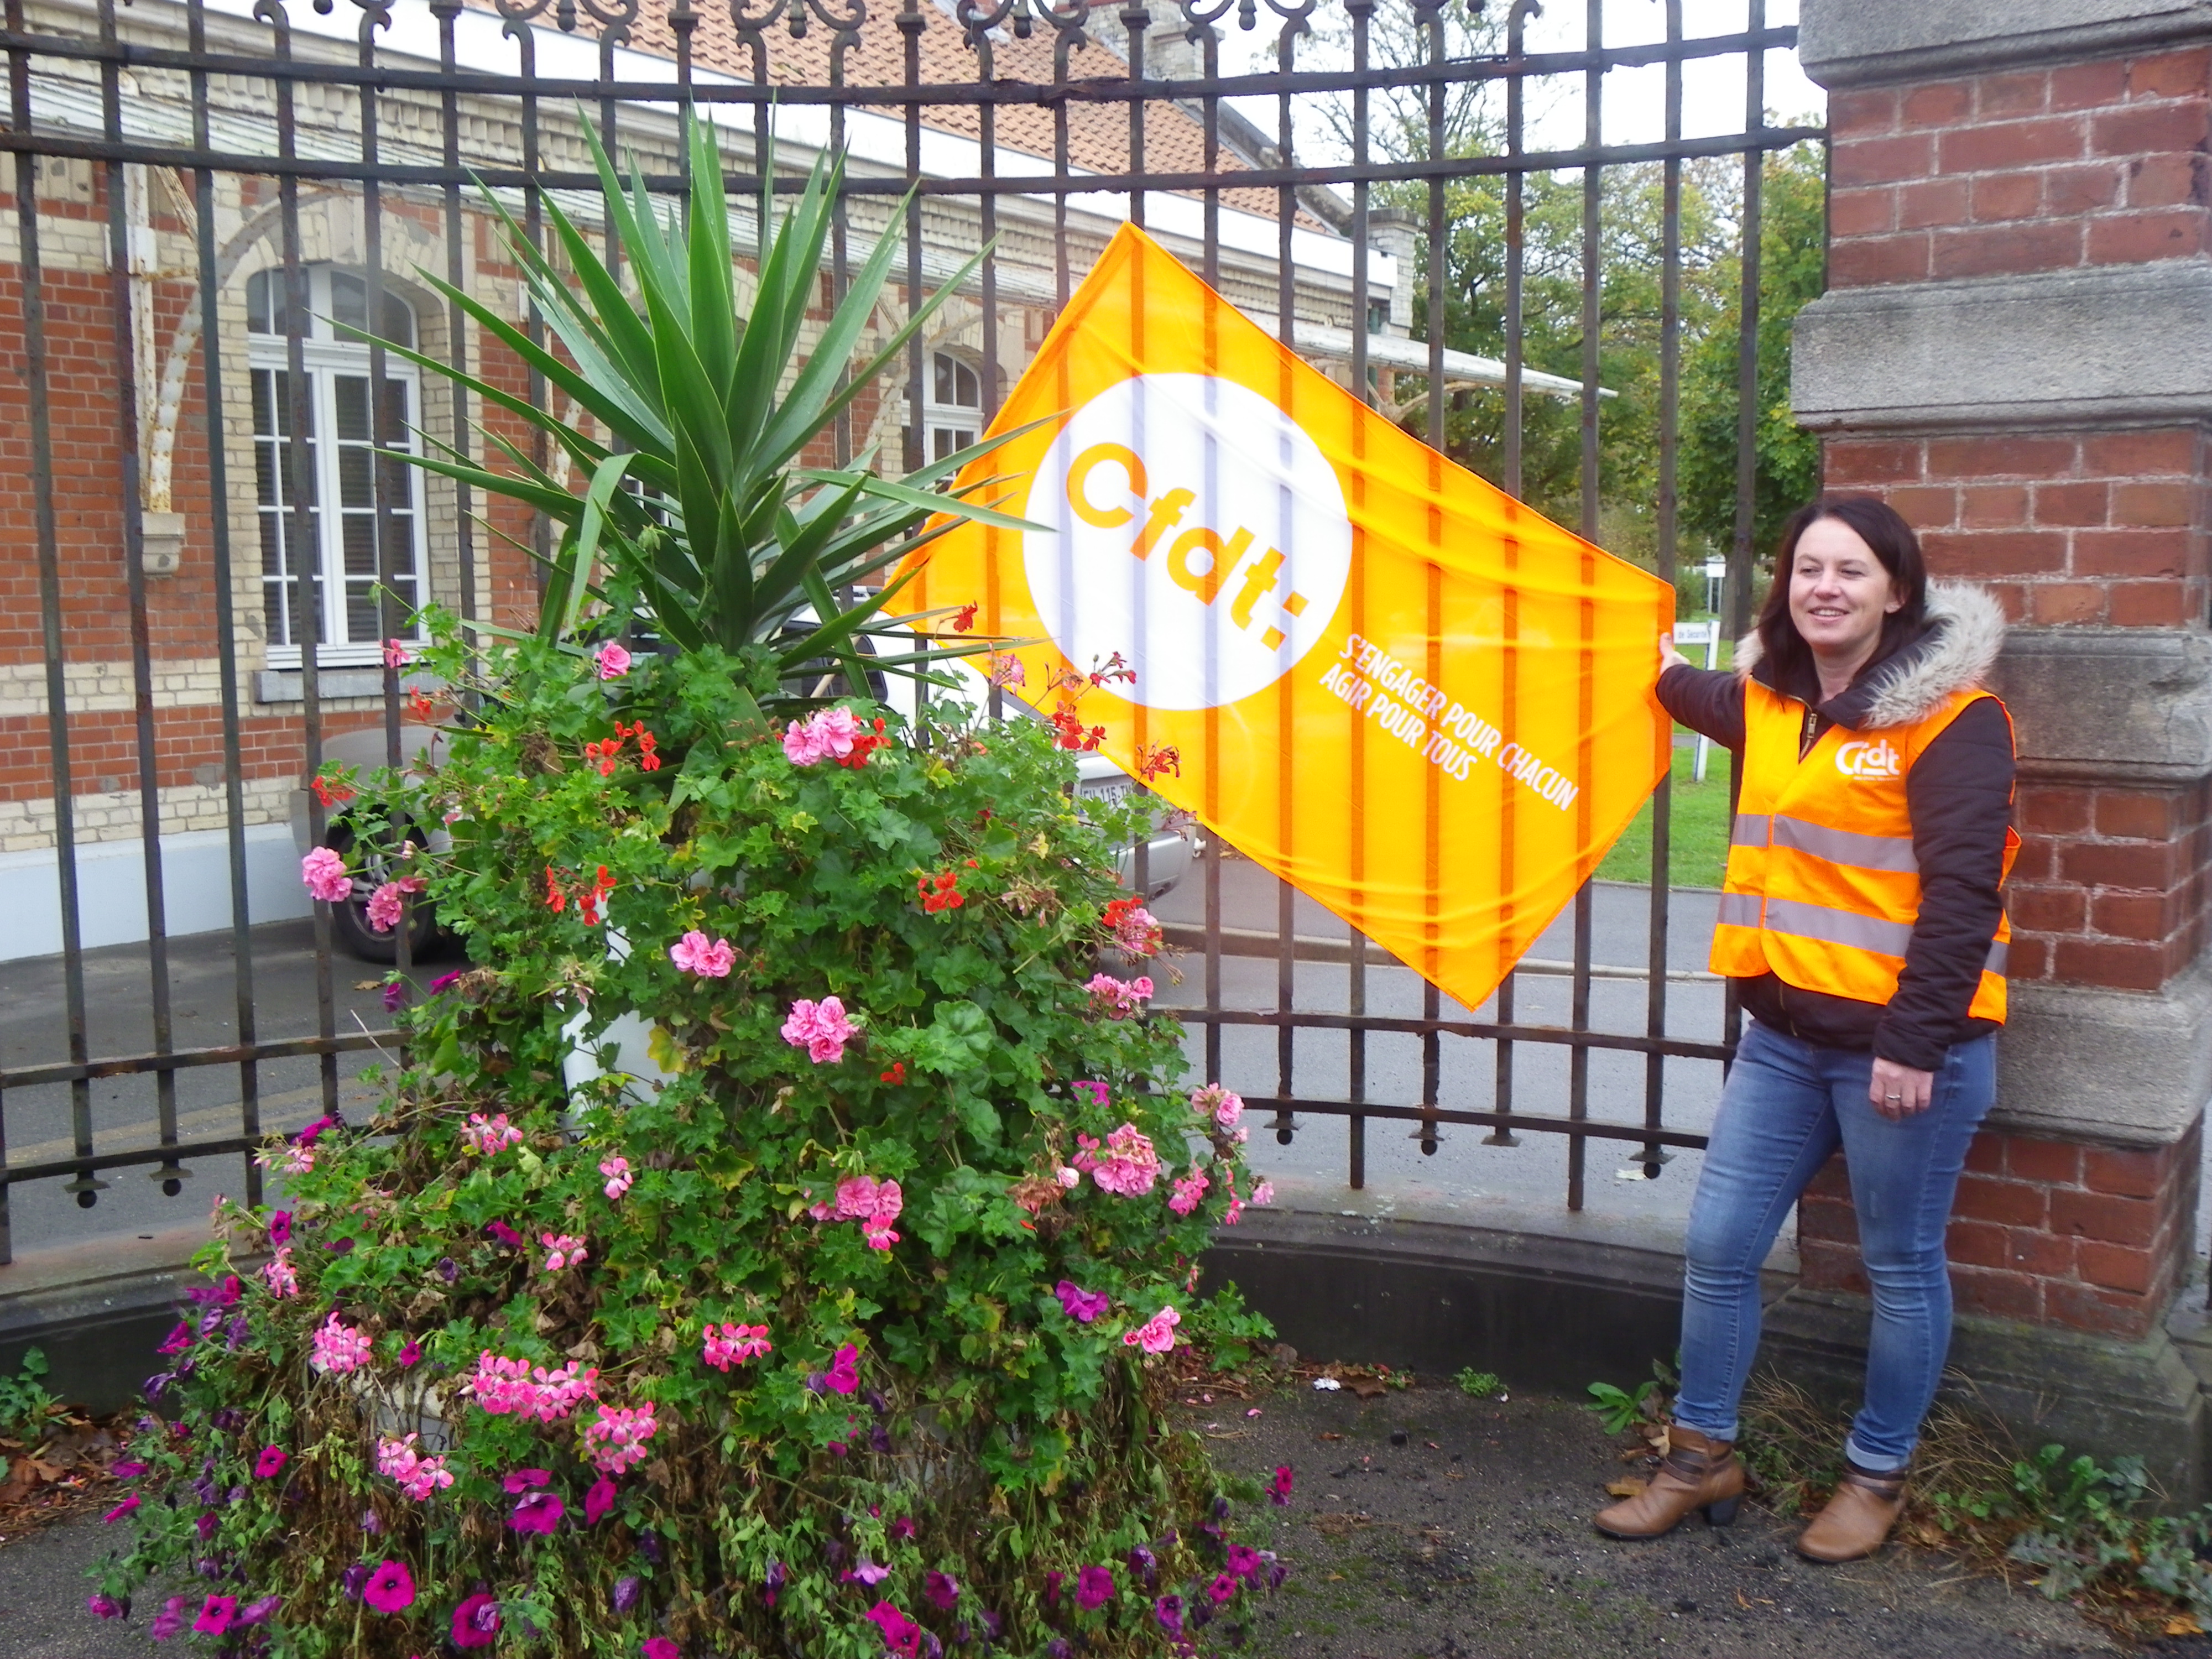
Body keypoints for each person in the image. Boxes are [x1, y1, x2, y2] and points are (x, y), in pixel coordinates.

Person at [1592, 495, 2017, 1563]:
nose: (1824, 588)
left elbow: (1964, 898)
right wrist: (1625, 642)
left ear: (1898, 591)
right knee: (1719, 1246)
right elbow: (1682, 687)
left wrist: (1914, 1044)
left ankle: (1876, 1476)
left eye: (1851, 571)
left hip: (1902, 1053)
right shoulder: (1772, 703)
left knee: (1899, 1266)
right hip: (1783, 1039)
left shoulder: (1955, 720)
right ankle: (1701, 1457)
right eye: (1806, 569)